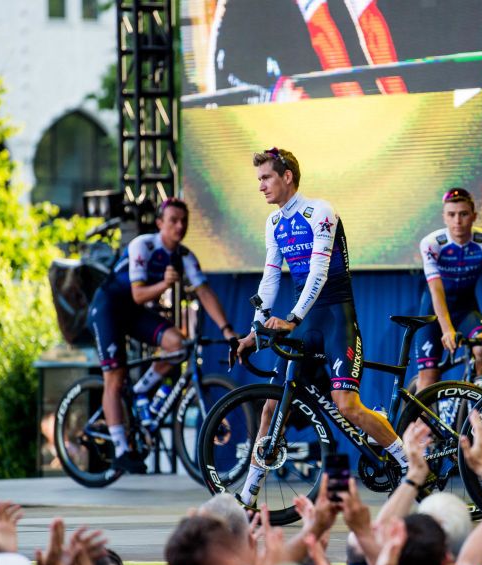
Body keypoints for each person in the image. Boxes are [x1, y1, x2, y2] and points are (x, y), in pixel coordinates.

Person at [235, 147, 409, 506]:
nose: (261, 186)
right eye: (259, 180)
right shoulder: (274, 223)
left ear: (287, 177)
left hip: (334, 317)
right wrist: (256, 327)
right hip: (304, 319)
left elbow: (318, 272)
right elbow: (270, 278)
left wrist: (291, 319)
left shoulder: (320, 212)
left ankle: (411, 469)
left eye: (266, 178)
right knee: (271, 407)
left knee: (346, 405)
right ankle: (247, 495)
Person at [87, 198, 237, 473]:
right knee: (115, 378)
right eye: (173, 220)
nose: (180, 226)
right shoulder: (142, 245)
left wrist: (227, 330)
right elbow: (138, 293)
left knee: (177, 345)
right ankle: (121, 449)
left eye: (184, 221)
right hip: (108, 308)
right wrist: (166, 283)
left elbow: (204, 292)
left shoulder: (184, 256)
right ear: (160, 223)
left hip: (133, 312)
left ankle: (143, 388)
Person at [415, 188, 482, 391]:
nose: (457, 221)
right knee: (429, 377)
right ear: (444, 217)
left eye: (463, 214)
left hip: (466, 309)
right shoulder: (431, 243)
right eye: (451, 215)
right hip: (434, 312)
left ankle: (469, 400)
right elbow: (436, 289)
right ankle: (417, 423)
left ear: (474, 216)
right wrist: (447, 329)